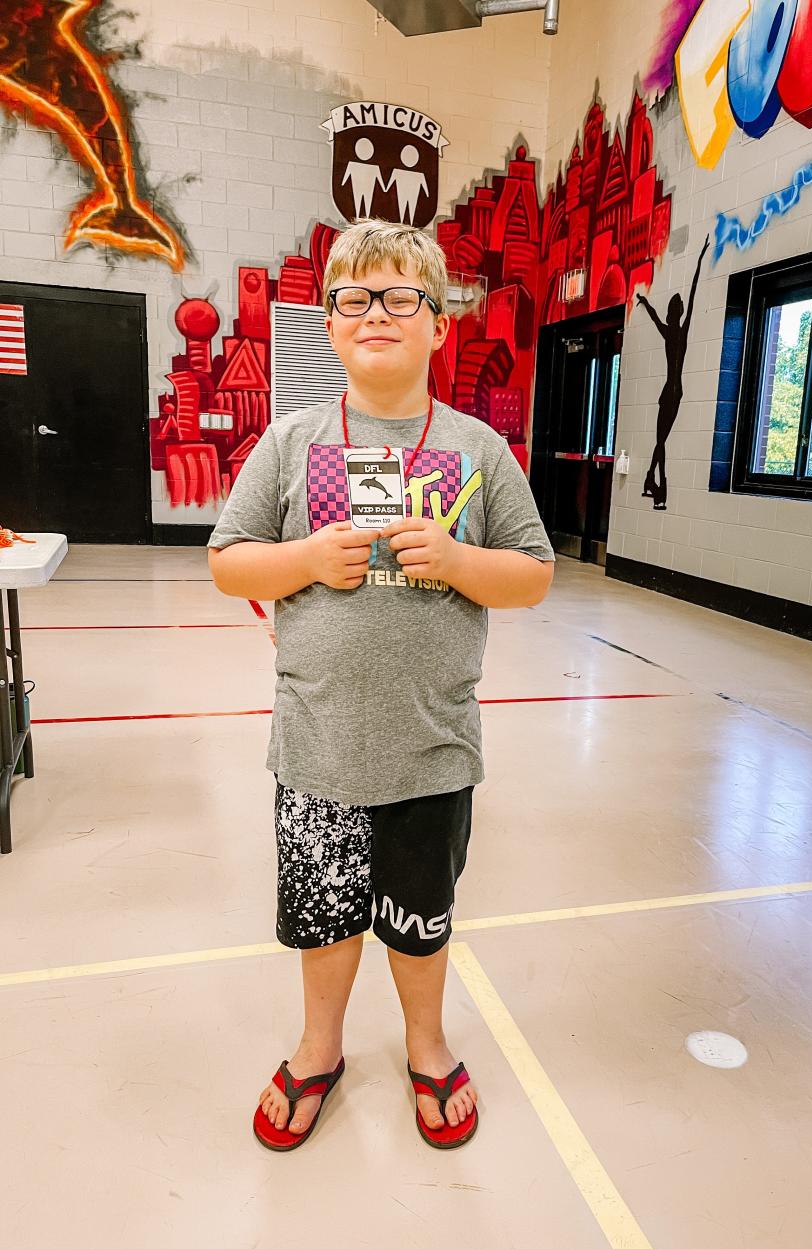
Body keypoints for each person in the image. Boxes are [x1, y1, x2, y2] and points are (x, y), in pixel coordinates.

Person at [207, 218, 555, 1153]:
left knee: (418, 919)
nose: (377, 314)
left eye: (403, 297)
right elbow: (229, 563)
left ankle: (427, 1044)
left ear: (440, 324)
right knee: (324, 916)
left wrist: (456, 559)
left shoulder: (479, 450)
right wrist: (308, 558)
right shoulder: (290, 443)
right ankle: (320, 1046)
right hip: (318, 746)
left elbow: (533, 573)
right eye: (355, 298)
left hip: (431, 748)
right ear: (329, 323)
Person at [635, 235, 710, 509]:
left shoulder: (670, 333)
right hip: (675, 392)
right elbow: (690, 294)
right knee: (661, 440)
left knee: (661, 439)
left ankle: (652, 481)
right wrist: (700, 259)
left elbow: (662, 311)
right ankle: (656, 483)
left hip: (669, 391)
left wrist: (645, 302)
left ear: (671, 313)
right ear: (678, 313)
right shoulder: (681, 332)